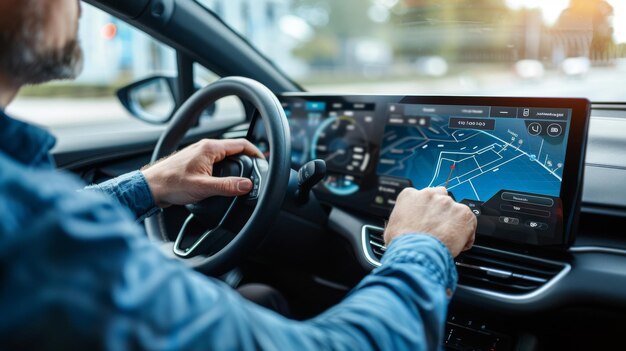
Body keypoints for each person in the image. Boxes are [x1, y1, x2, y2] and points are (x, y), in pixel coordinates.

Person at [0, 0, 477, 349]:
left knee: (262, 296)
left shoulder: (26, 211)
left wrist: (147, 186)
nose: (80, 8)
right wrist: (421, 247)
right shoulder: (38, 237)